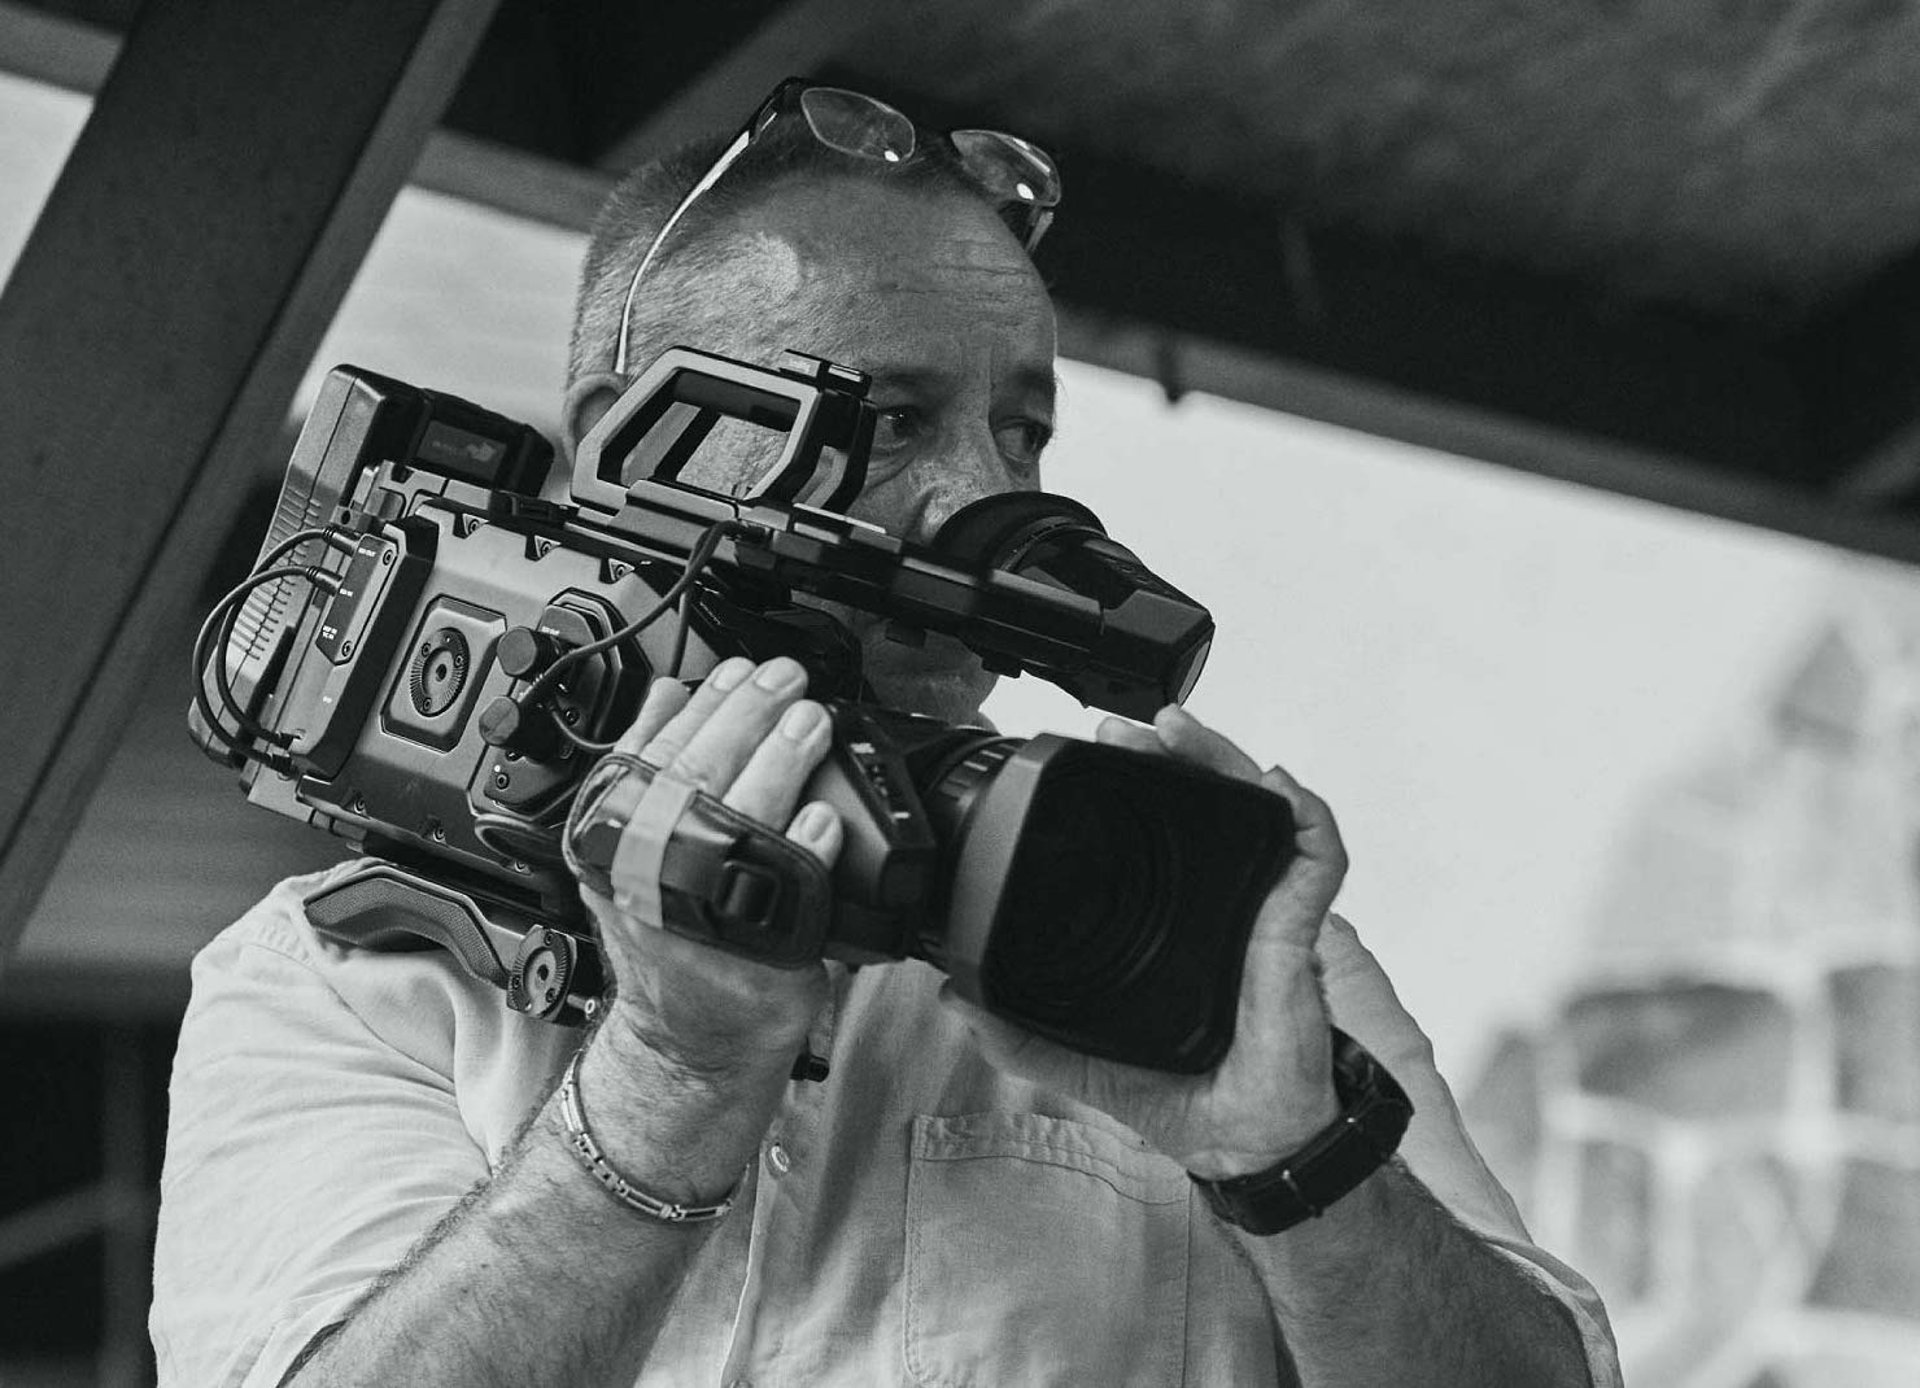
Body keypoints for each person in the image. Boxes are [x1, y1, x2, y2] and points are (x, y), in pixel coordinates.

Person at [151, 80, 1621, 1387]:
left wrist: (1298, 1161)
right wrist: (670, 1077)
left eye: (1024, 430)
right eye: (895, 419)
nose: (987, 495)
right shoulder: (344, 980)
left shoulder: (1194, 928)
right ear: (639, 437)